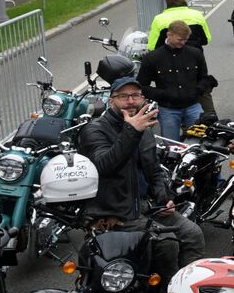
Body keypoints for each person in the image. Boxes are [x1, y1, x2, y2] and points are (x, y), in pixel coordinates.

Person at [77, 75, 206, 278]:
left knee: (192, 234)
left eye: (135, 96)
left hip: (147, 204)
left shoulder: (143, 129)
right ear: (111, 101)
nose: (130, 101)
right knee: (166, 243)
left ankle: (185, 286)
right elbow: (104, 165)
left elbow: (154, 170)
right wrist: (131, 131)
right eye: (123, 97)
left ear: (143, 99)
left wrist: (166, 198)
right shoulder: (94, 130)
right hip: (115, 210)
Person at [137, 21, 215, 141]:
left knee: (200, 143)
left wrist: (197, 90)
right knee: (171, 146)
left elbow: (204, 78)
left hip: (193, 106)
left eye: (186, 39)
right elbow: (142, 86)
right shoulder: (153, 58)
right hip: (168, 110)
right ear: (169, 35)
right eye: (180, 39)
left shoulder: (195, 54)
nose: (183, 42)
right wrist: (163, 95)